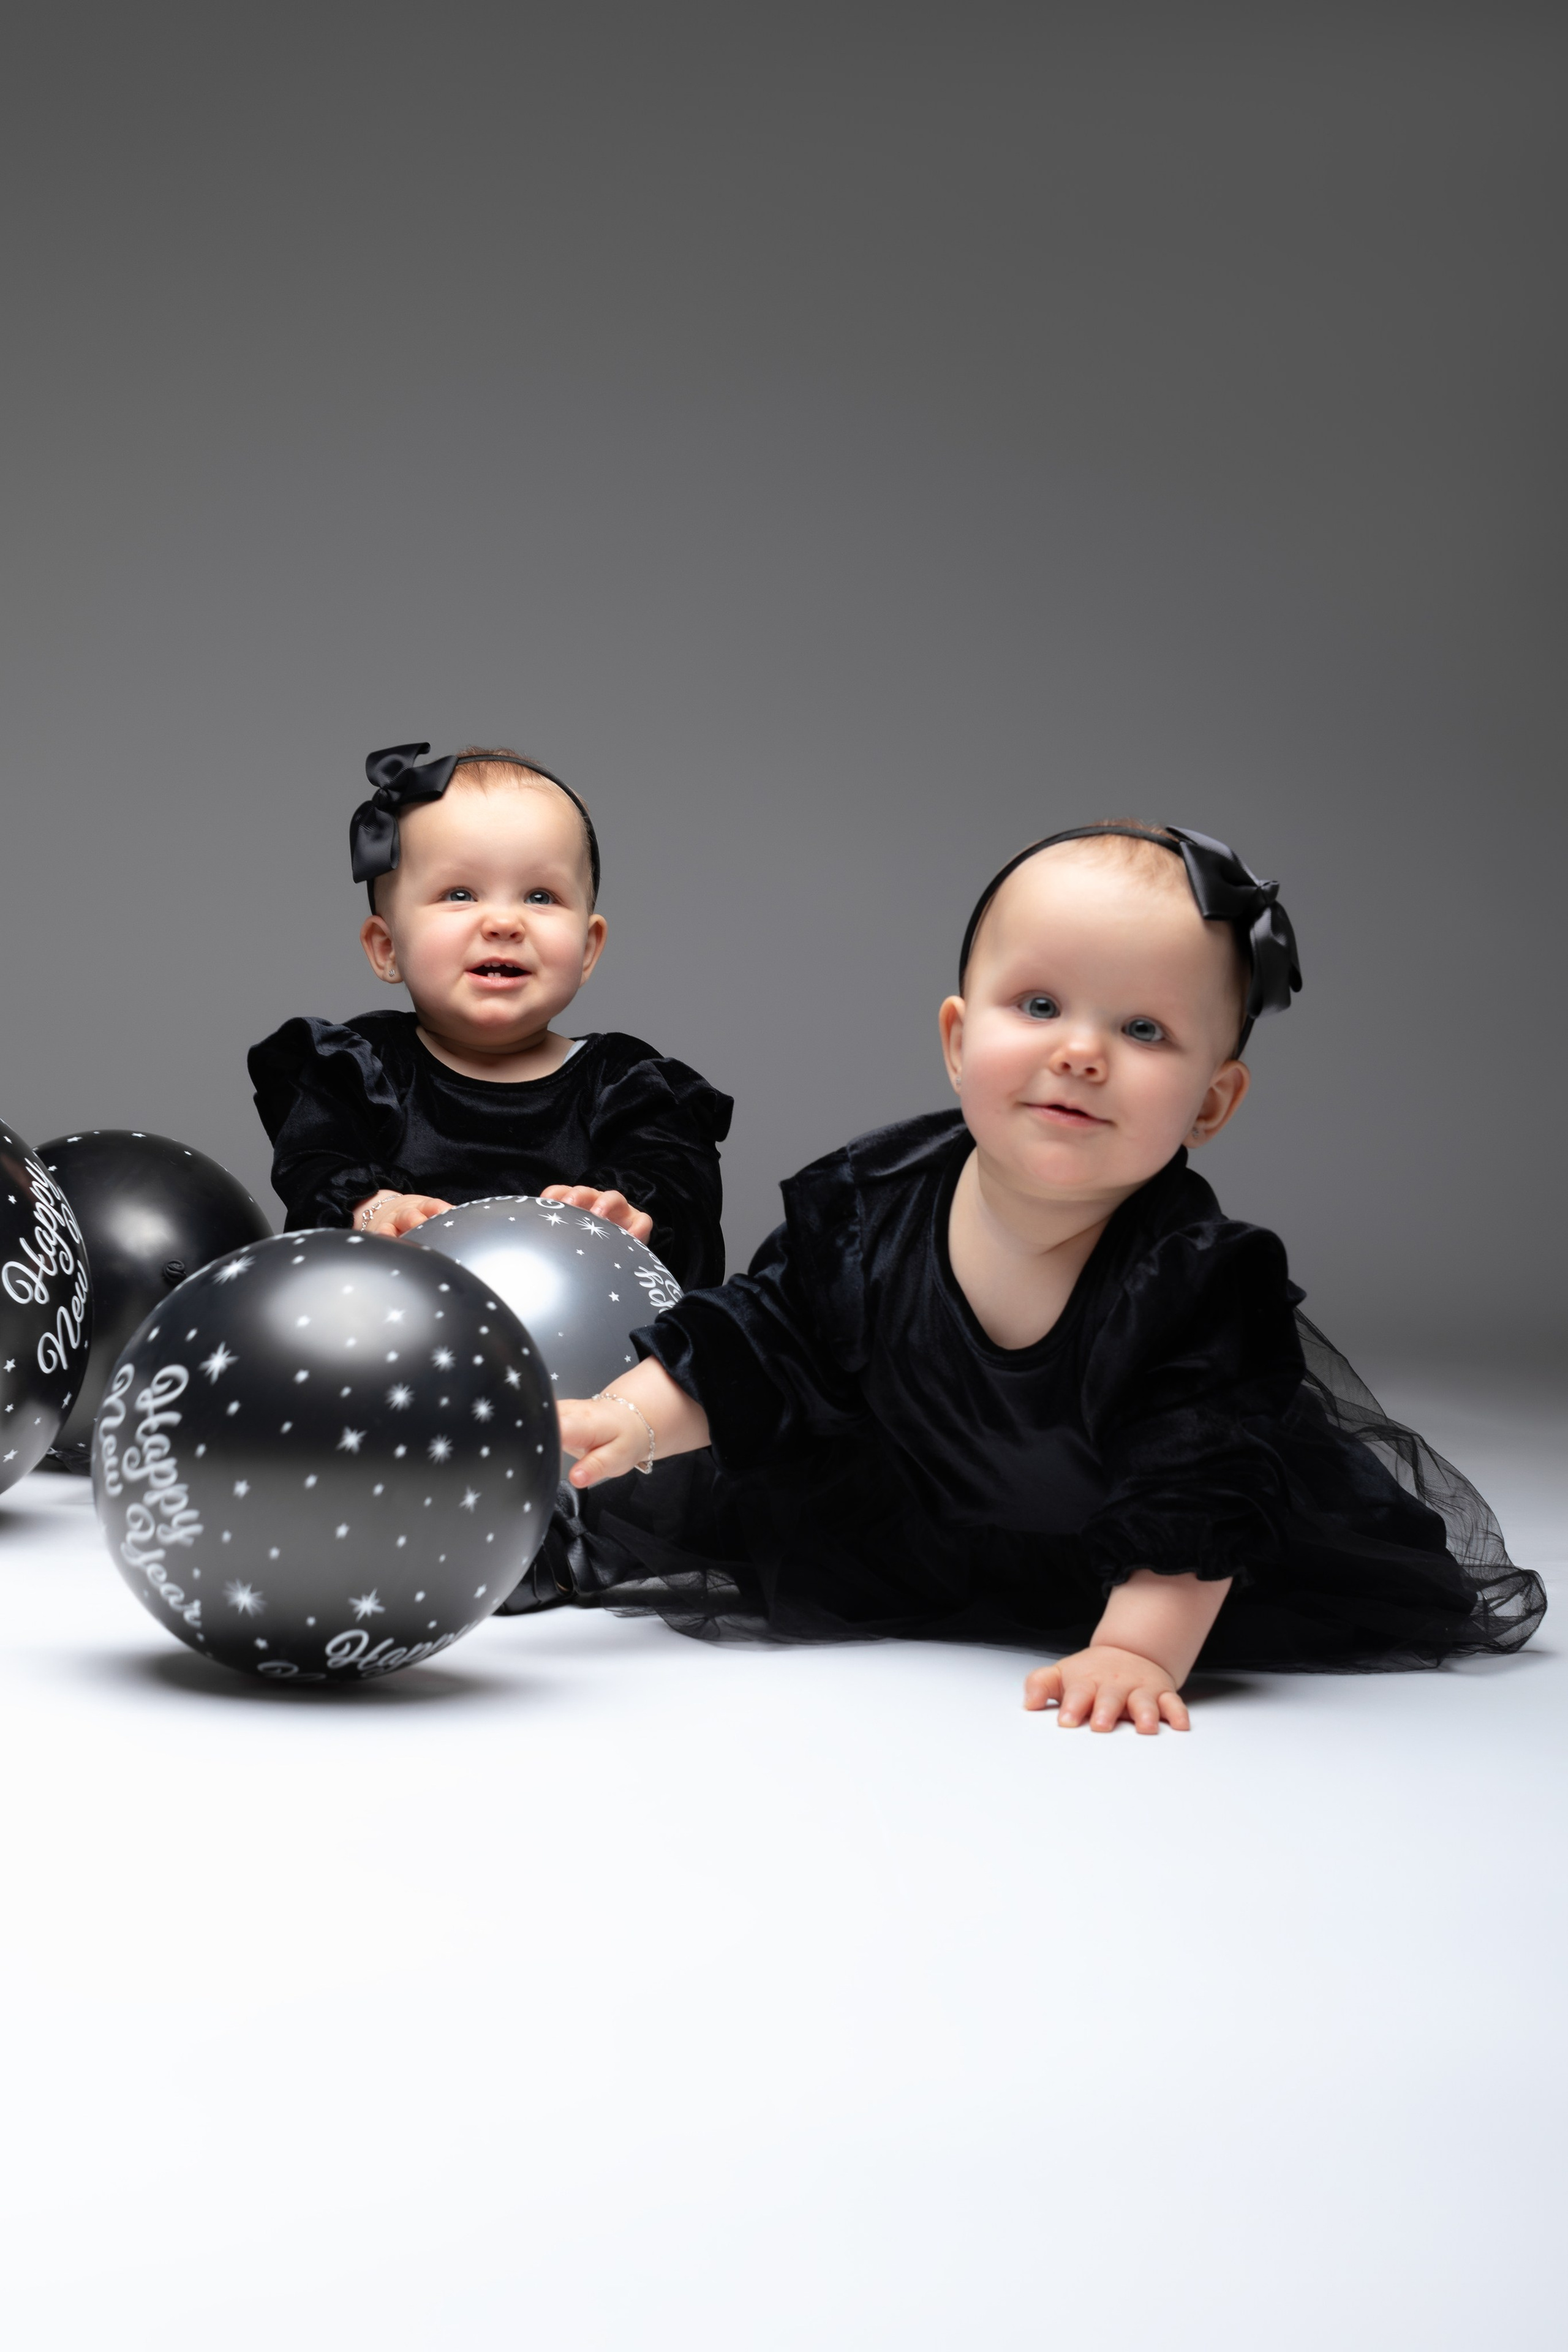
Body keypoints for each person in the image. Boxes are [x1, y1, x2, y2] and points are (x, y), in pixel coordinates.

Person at [533, 821, 1544, 1730]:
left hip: (1142, 1561)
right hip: (922, 1523)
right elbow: (764, 1339)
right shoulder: (868, 1207)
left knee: (1215, 1516)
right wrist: (636, 1419)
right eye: (1040, 1004)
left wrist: (1135, 1652)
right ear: (959, 1041)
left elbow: (1197, 1472)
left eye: (1144, 1031)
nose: (1080, 1052)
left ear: (1211, 1104)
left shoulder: (1194, 1281)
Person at [249, 743, 733, 1287]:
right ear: (387, 948)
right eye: (460, 893)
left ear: (589, 947)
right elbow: (318, 1161)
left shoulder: (627, 1081)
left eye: (541, 896)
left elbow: (676, 1178)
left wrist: (628, 1210)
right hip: (397, 1347)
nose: (504, 921)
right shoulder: (360, 1068)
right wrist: (372, 1208)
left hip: (588, 1358)